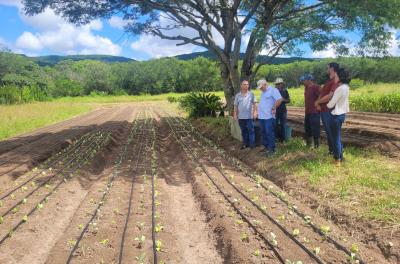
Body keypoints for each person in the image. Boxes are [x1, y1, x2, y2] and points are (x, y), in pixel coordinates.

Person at [315, 62, 339, 154]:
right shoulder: (329, 81)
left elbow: (330, 96)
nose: (327, 69)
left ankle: (335, 153)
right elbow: (322, 93)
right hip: (324, 110)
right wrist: (318, 103)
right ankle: (331, 151)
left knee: (331, 132)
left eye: (328, 68)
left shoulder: (335, 81)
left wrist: (318, 102)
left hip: (330, 111)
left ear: (332, 69)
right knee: (329, 132)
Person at [327, 68, 350, 166]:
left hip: (336, 116)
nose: (334, 78)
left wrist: (327, 105)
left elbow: (331, 104)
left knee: (335, 138)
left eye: (336, 76)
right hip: (342, 114)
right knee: (338, 136)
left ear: (340, 77)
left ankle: (337, 159)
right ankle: (340, 156)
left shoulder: (339, 89)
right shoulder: (346, 87)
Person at [257, 79, 282, 156]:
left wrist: (274, 107)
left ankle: (272, 149)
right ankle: (266, 147)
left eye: (262, 87)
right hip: (262, 117)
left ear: (265, 84)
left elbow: (279, 99)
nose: (261, 88)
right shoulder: (263, 93)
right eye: (260, 87)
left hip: (269, 116)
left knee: (269, 132)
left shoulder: (273, 90)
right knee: (263, 132)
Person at [233, 80, 257, 149]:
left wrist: (255, 112)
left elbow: (255, 104)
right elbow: (235, 106)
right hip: (241, 117)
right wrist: (235, 114)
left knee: (251, 131)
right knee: (243, 131)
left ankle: (252, 146)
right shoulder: (237, 95)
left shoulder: (251, 94)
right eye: (244, 84)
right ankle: (245, 144)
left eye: (247, 84)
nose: (246, 86)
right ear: (241, 86)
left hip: (249, 116)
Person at [300, 73, 321, 148]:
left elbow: (321, 95)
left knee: (315, 128)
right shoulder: (306, 87)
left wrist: (317, 103)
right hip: (308, 111)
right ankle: (309, 144)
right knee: (307, 128)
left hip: (314, 112)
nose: (303, 82)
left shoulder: (316, 87)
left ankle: (317, 146)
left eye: (304, 80)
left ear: (309, 80)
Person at [274, 78, 290, 142]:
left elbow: (288, 100)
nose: (278, 85)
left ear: (282, 84)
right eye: (277, 84)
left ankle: (282, 139)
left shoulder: (285, 91)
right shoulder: (273, 91)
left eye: (279, 84)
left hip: (283, 111)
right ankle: (276, 138)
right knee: (275, 125)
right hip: (275, 111)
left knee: (283, 125)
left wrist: (283, 99)